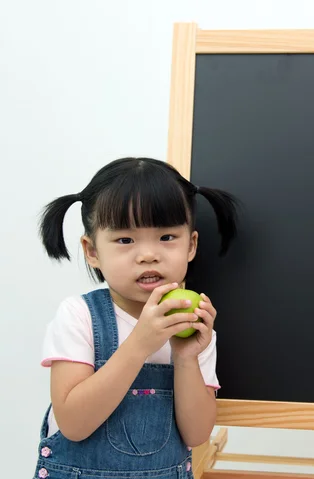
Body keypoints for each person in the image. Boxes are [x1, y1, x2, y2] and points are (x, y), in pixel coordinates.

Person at [33, 157, 240, 479]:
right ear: (92, 251)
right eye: (125, 240)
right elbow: (73, 425)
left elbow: (196, 435)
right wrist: (140, 344)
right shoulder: (79, 316)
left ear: (191, 245)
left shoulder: (194, 326)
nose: (148, 254)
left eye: (167, 237)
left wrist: (186, 357)